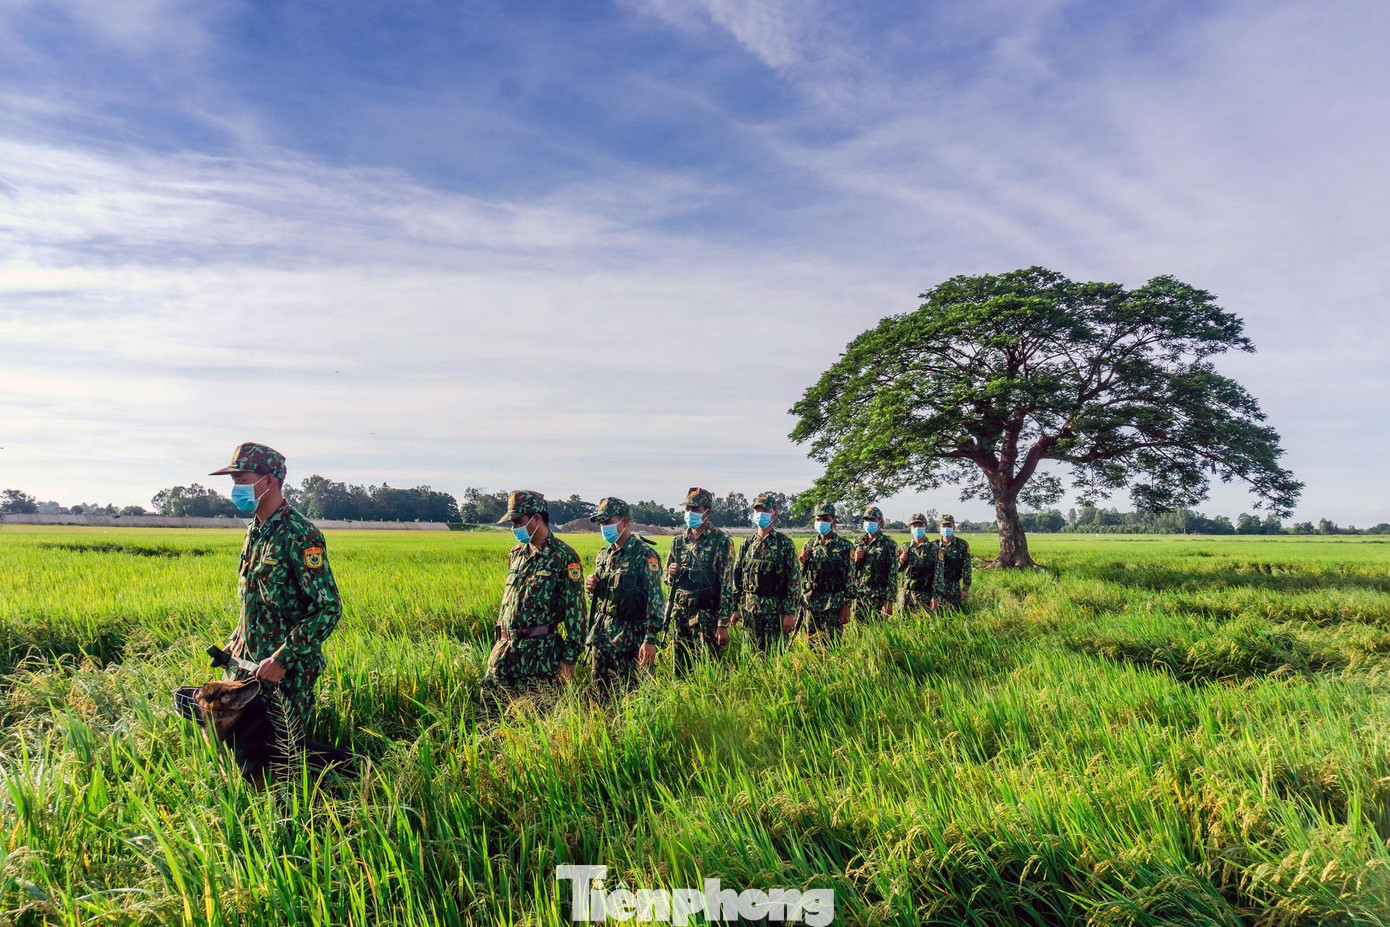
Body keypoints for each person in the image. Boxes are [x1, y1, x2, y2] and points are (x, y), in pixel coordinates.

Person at [209, 442, 342, 743]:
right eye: (233, 480)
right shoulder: (254, 530)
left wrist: (282, 659)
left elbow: (328, 608)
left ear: (268, 480)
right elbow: (256, 601)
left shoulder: (300, 533)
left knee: (284, 761)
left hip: (286, 678)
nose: (235, 487)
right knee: (243, 757)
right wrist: (235, 642)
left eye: (241, 479)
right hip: (247, 670)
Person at [484, 490, 586, 694]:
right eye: (512, 524)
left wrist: (568, 660)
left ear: (537, 519)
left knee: (536, 717)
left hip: (539, 657)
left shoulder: (564, 556)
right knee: (492, 713)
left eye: (518, 522)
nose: (514, 528)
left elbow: (576, 613)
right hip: (505, 652)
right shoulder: (516, 554)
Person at [585, 497, 663, 694]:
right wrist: (591, 588)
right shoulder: (603, 555)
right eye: (601, 523)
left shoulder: (644, 554)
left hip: (630, 640)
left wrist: (650, 639)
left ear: (625, 522)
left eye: (608, 522)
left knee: (633, 696)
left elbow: (655, 599)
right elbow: (602, 598)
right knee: (600, 694)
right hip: (602, 637)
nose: (604, 527)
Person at [666, 487, 735, 672]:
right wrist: (671, 573)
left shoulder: (721, 541)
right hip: (681, 617)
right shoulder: (678, 542)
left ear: (708, 512)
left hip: (707, 619)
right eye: (687, 509)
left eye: (695, 509)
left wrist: (722, 624)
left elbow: (727, 585)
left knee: (709, 671)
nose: (690, 513)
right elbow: (667, 579)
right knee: (680, 671)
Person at [731, 492, 801, 652]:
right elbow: (736, 578)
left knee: (776, 659)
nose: (760, 514)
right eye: (757, 510)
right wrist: (733, 608)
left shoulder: (785, 544)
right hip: (750, 613)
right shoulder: (746, 544)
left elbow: (794, 581)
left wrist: (790, 613)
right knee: (751, 656)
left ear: (774, 514)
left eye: (765, 511)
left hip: (776, 614)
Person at [798, 502, 855, 642]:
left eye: (825, 519)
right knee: (812, 643)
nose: (821, 522)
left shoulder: (845, 546)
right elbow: (802, 576)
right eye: (818, 519)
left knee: (832, 644)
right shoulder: (809, 545)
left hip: (833, 604)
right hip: (811, 602)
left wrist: (847, 606)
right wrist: (801, 562)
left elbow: (850, 578)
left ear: (833, 521)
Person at [851, 505, 898, 622]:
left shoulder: (889, 544)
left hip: (879, 596)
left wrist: (889, 601)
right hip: (860, 596)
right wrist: (855, 560)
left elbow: (893, 574)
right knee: (860, 633)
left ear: (880, 522)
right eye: (866, 520)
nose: (868, 522)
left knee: (879, 631)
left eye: (872, 520)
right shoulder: (858, 542)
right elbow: (849, 571)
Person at [932, 514, 973, 610]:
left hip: (953, 587)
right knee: (935, 616)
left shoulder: (962, 545)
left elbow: (967, 568)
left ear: (954, 527)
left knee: (954, 614)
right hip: (935, 588)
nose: (946, 528)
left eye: (949, 526)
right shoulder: (933, 545)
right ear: (939, 528)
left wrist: (965, 589)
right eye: (944, 526)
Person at [898, 512, 937, 612]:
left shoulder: (934, 549)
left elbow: (939, 575)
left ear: (926, 527)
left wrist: (936, 596)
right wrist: (900, 561)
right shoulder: (904, 547)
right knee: (904, 624)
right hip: (905, 595)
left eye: (920, 525)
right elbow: (894, 570)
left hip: (925, 594)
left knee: (926, 624)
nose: (917, 528)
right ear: (910, 528)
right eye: (914, 525)